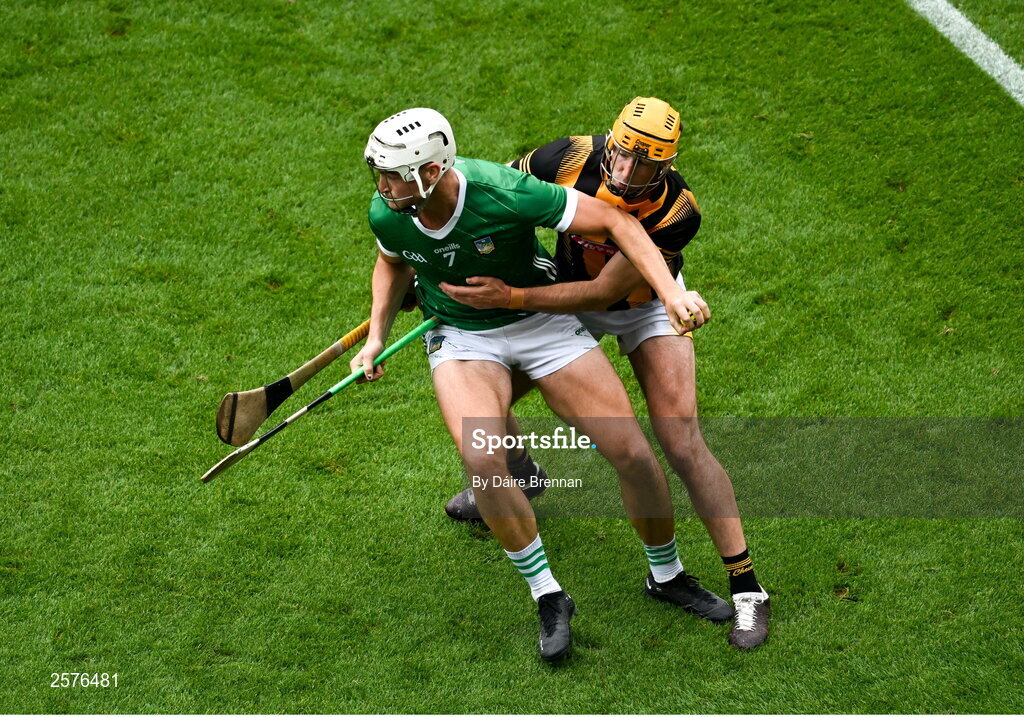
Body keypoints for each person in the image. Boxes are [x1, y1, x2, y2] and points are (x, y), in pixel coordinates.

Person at [351, 107, 731, 662]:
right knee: (483, 459)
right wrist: (376, 334)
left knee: (630, 451)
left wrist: (672, 295)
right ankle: (548, 594)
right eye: (378, 174)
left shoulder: (505, 191)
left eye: (392, 175)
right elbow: (392, 263)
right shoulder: (387, 211)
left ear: (430, 173)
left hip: (542, 326)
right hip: (461, 338)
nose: (382, 187)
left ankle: (666, 573)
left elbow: (618, 223)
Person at [439, 97, 770, 649]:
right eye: (623, 156)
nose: (628, 172)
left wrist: (511, 294)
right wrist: (429, 266)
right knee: (486, 400)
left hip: (642, 307)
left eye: (646, 166)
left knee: (680, 440)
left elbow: (601, 293)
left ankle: (747, 589)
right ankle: (518, 475)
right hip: (559, 298)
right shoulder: (565, 157)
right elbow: (495, 200)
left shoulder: (678, 211)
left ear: (664, 167)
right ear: (610, 141)